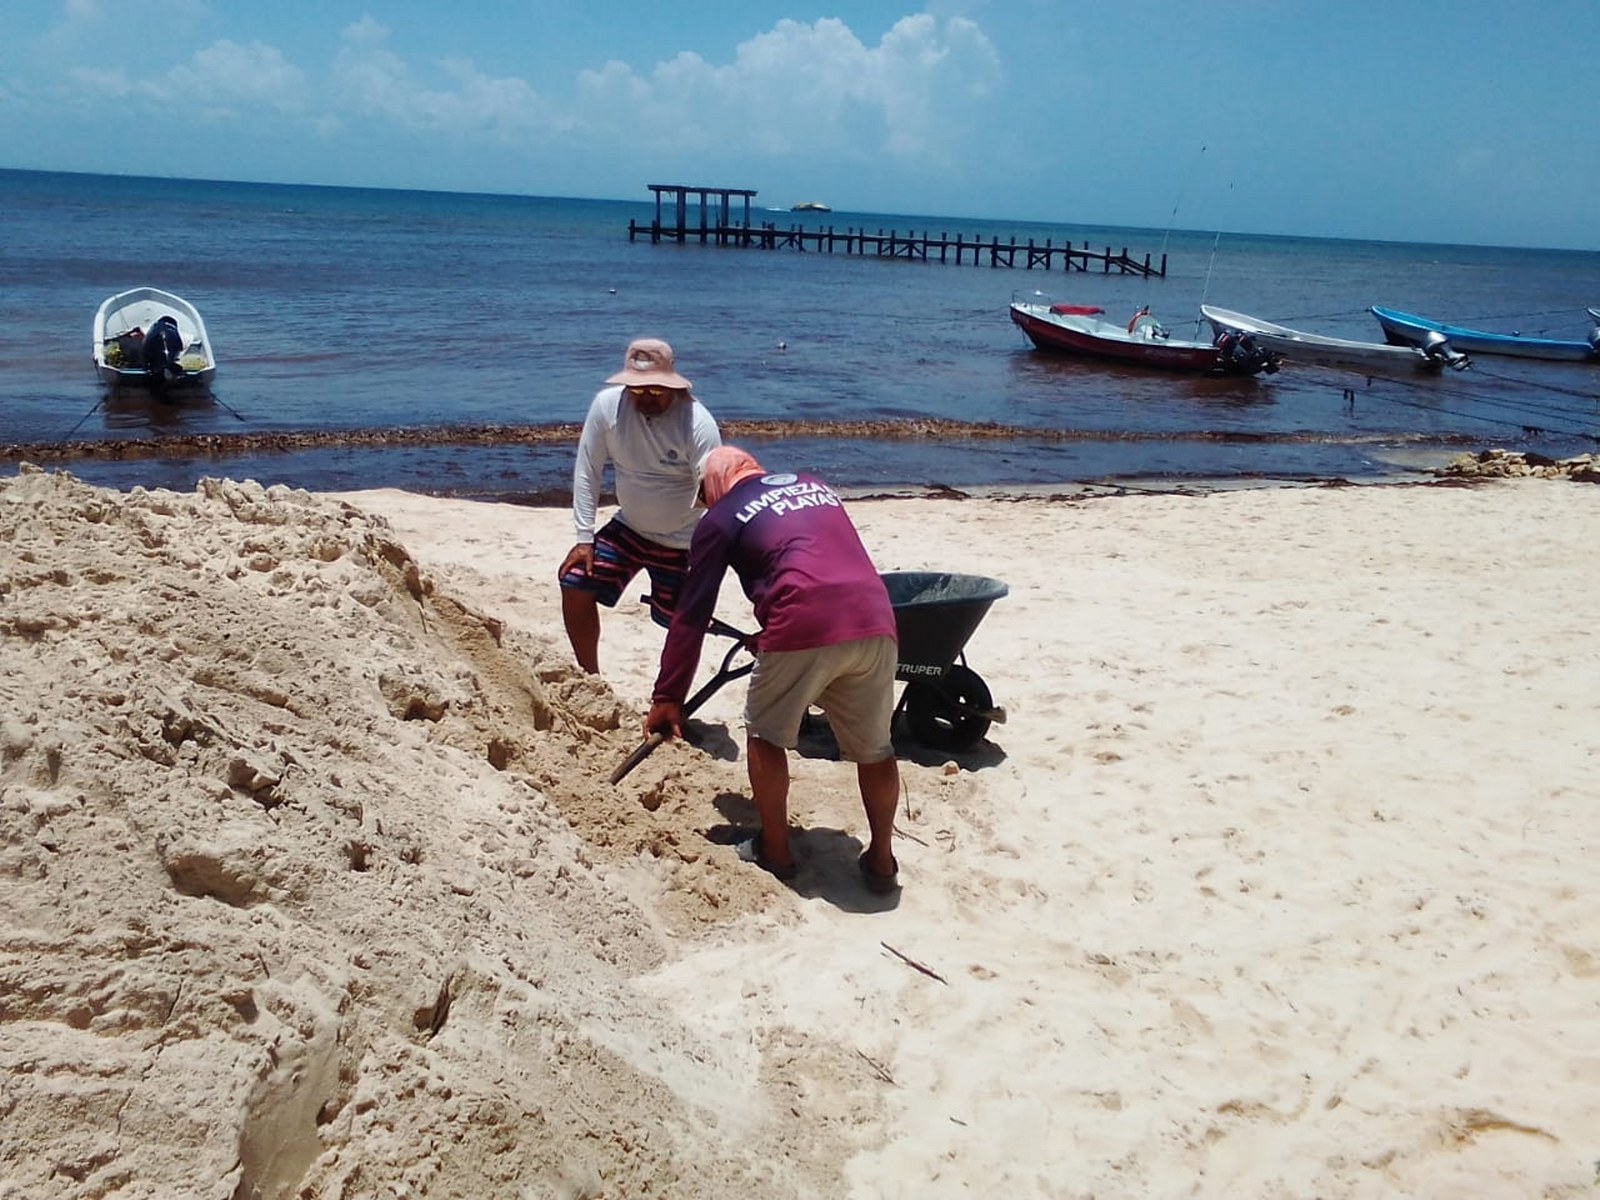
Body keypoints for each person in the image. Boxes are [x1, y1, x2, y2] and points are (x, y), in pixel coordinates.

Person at [645, 446, 902, 893]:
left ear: (714, 484)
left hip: (802, 622)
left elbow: (692, 613)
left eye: (705, 496)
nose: (707, 505)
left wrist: (668, 696)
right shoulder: (814, 486)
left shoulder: (721, 517)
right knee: (876, 748)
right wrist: (773, 629)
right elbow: (816, 563)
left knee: (764, 732)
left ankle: (777, 852)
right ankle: (881, 860)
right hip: (876, 619)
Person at [559, 338, 721, 675]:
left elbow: (715, 493)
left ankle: (668, 701)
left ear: (672, 385)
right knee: (574, 580)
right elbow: (588, 469)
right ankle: (590, 677)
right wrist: (583, 537)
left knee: (682, 626)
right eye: (638, 390)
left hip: (683, 541)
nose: (646, 397)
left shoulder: (697, 422)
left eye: (656, 390)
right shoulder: (607, 407)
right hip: (628, 528)